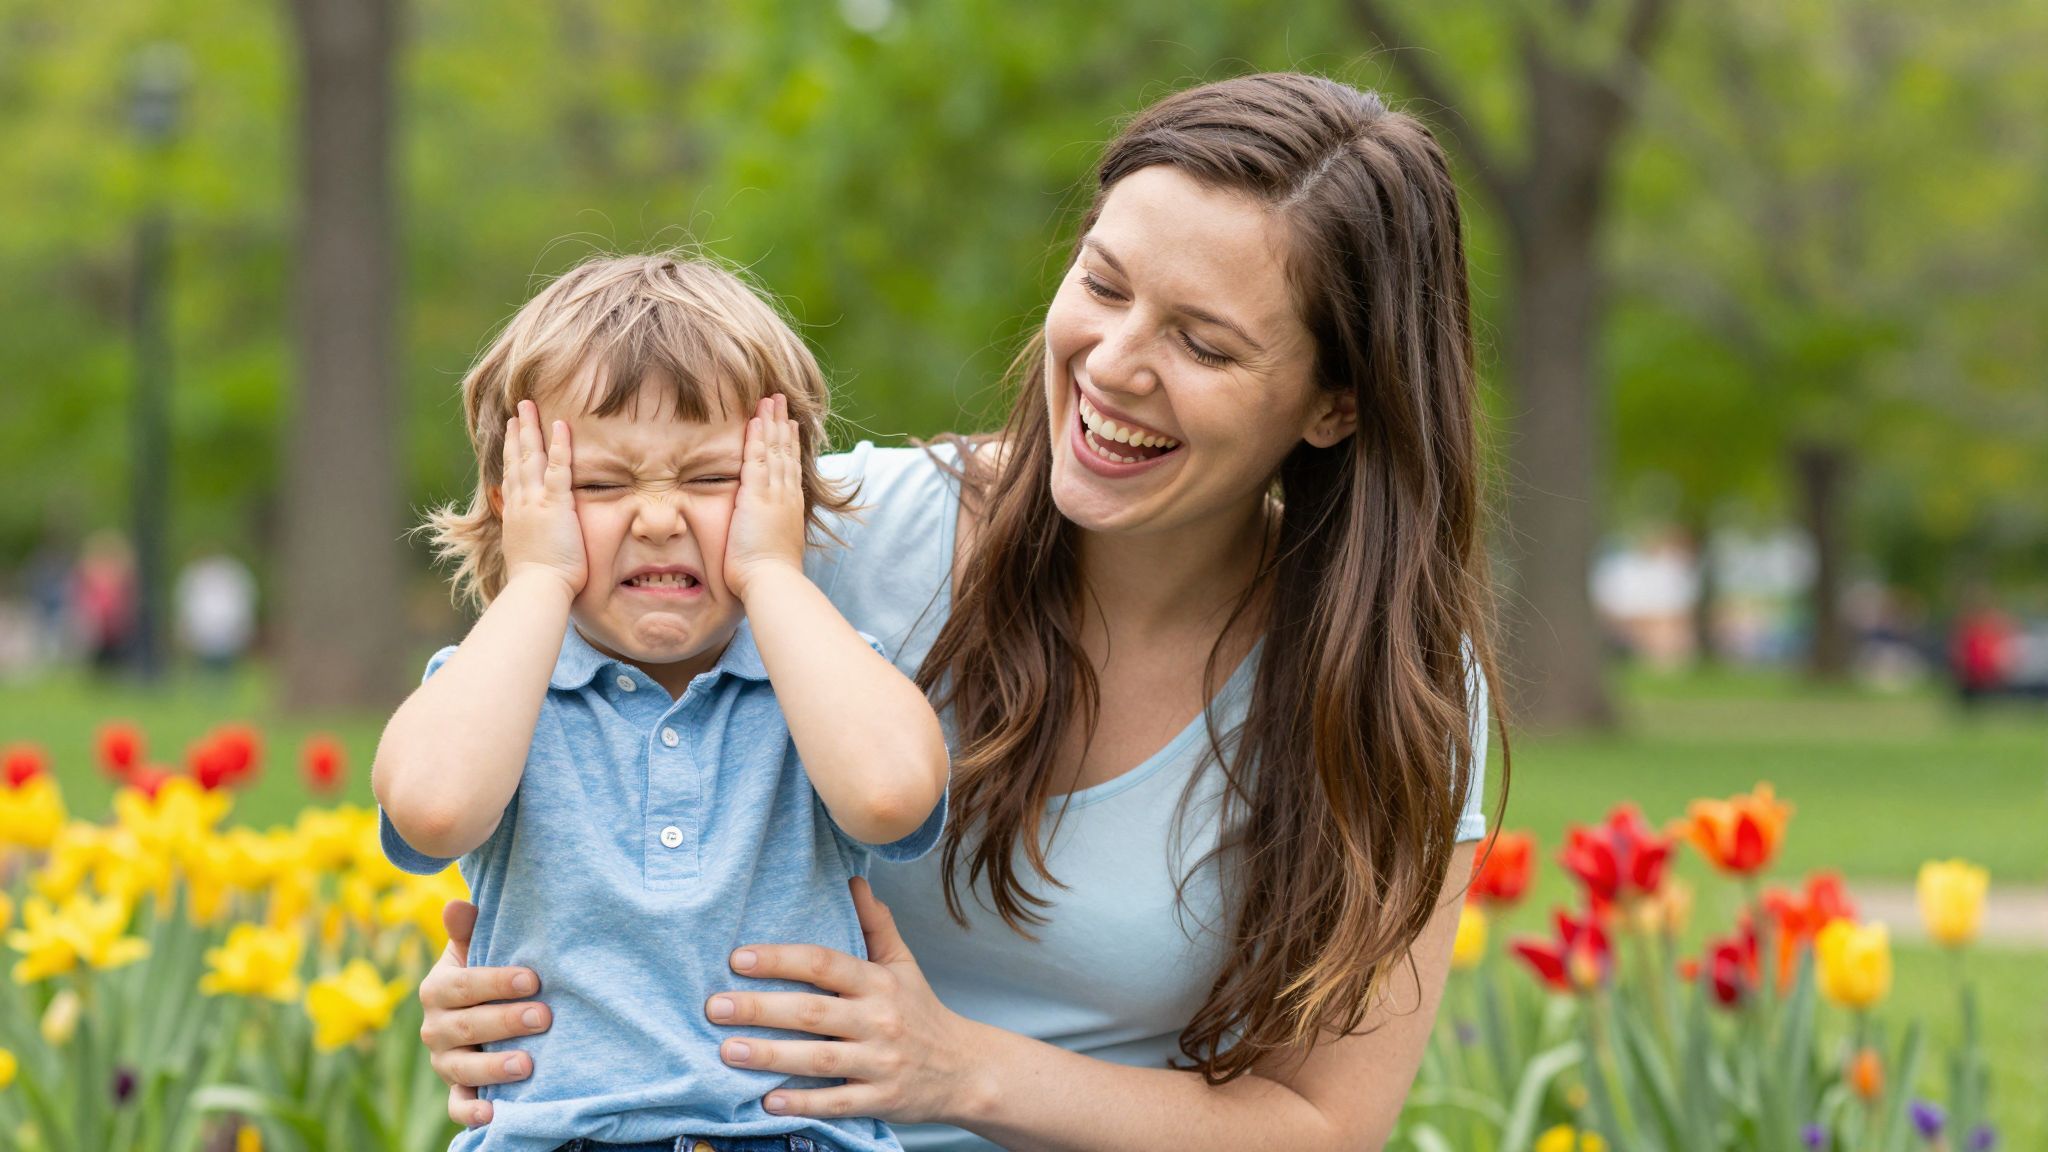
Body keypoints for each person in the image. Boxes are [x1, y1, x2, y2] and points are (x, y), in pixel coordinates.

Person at [419, 73, 1506, 1152]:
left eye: (1204, 345)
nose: (1115, 364)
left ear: (1336, 401)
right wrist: (545, 982)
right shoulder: (818, 540)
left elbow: (1322, 1126)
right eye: (1104, 286)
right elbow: (561, 758)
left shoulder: (1381, 685)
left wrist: (960, 1071)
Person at [373, 254, 951, 1152]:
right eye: (599, 486)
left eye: (713, 478)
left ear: (781, 489)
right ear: (515, 503)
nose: (656, 517)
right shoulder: (499, 683)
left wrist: (769, 569)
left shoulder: (820, 676)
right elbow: (433, 807)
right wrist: (538, 579)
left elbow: (890, 794)